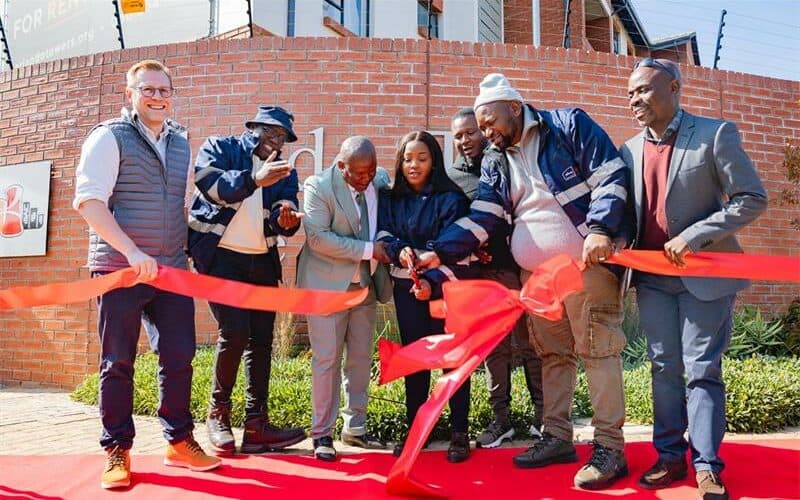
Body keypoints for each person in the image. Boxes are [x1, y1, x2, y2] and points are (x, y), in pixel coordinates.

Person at [415, 74, 631, 489]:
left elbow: (611, 176)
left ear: (513, 107)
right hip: (537, 278)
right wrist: (438, 251)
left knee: (598, 351)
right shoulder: (496, 159)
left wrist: (602, 229)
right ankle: (557, 437)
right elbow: (483, 217)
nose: (486, 132)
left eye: (490, 121)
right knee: (553, 355)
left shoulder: (569, 126)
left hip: (585, 265)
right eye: (481, 126)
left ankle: (610, 448)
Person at [621, 58, 767, 500]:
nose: (635, 101)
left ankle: (707, 464)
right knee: (664, 368)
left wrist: (694, 236)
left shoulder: (714, 134)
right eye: (630, 94)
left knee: (702, 370)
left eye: (643, 90)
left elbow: (751, 198)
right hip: (652, 281)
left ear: (674, 87)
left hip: (704, 277)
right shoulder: (628, 149)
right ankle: (668, 456)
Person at [73, 59, 221, 490]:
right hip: (120, 269)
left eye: (164, 90)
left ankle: (178, 441)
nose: (157, 97)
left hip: (170, 269)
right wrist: (131, 251)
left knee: (179, 357)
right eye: (148, 89)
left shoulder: (180, 142)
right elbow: (89, 203)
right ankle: (116, 449)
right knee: (117, 362)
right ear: (130, 94)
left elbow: (180, 206)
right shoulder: (107, 137)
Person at [188, 105, 306, 454]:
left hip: (261, 261)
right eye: (270, 132)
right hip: (220, 257)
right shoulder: (221, 148)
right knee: (234, 331)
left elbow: (283, 213)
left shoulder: (284, 171)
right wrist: (254, 179)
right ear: (252, 126)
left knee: (262, 341)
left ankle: (257, 426)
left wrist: (287, 221)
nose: (276, 141)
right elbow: (211, 186)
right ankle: (217, 415)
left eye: (282, 137)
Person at [377, 130, 477, 463]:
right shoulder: (392, 199)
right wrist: (398, 249)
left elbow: (457, 246)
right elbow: (384, 235)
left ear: (434, 161)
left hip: (447, 287)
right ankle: (418, 427)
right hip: (407, 287)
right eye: (407, 159)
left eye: (422, 158)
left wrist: (430, 275)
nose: (413, 165)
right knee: (416, 358)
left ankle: (459, 431)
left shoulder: (453, 199)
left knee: (453, 358)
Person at [447, 107, 544, 448]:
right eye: (458, 135)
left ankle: (543, 417)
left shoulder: (504, 162)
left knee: (530, 342)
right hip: (481, 276)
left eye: (471, 132)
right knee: (495, 350)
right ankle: (500, 420)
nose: (465, 140)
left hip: (516, 269)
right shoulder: (452, 180)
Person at [297, 136, 392, 461]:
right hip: (326, 288)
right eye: (359, 173)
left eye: (371, 171)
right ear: (341, 167)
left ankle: (356, 429)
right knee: (326, 361)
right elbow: (318, 238)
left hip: (364, 286)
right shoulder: (318, 186)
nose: (366, 179)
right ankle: (322, 434)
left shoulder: (379, 182)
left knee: (360, 360)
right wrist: (369, 250)